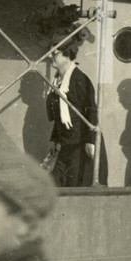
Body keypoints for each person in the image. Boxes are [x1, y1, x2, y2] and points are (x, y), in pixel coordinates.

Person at [45, 42, 98, 188]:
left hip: (80, 145)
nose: (50, 56)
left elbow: (91, 111)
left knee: (74, 186)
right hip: (66, 144)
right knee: (55, 182)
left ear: (67, 55)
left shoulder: (79, 80)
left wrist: (90, 141)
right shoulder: (58, 81)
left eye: (54, 52)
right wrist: (54, 139)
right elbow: (60, 116)